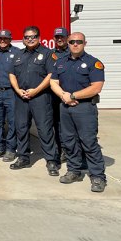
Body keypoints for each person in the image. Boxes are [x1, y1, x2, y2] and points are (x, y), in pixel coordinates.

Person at [50, 32, 107, 192]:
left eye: (79, 42)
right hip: (65, 106)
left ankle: (97, 176)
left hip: (85, 108)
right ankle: (74, 170)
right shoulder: (60, 62)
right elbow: (53, 82)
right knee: (68, 141)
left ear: (85, 43)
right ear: (68, 43)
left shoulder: (93, 63)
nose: (75, 44)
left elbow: (96, 87)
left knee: (88, 142)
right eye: (72, 41)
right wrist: (63, 95)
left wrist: (73, 96)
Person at [8, 26, 60, 176]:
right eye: (26, 37)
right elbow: (11, 74)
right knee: (21, 128)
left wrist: (36, 90)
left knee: (45, 129)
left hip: (40, 97)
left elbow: (51, 75)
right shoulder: (18, 54)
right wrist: (18, 90)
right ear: (23, 39)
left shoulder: (48, 54)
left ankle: (51, 160)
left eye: (33, 36)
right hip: (21, 97)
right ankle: (23, 158)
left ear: (39, 37)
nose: (30, 39)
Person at [0, 29, 20, 162]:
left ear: (10, 39)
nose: (2, 41)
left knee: (13, 122)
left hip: (11, 92)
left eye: (5, 39)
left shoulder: (17, 53)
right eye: (0, 39)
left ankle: (11, 149)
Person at [52, 27, 70, 163]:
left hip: (69, 96)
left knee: (69, 126)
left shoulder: (73, 53)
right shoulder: (51, 54)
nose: (59, 39)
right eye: (57, 37)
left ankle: (70, 150)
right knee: (56, 125)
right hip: (54, 96)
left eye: (62, 37)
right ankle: (61, 150)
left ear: (67, 38)